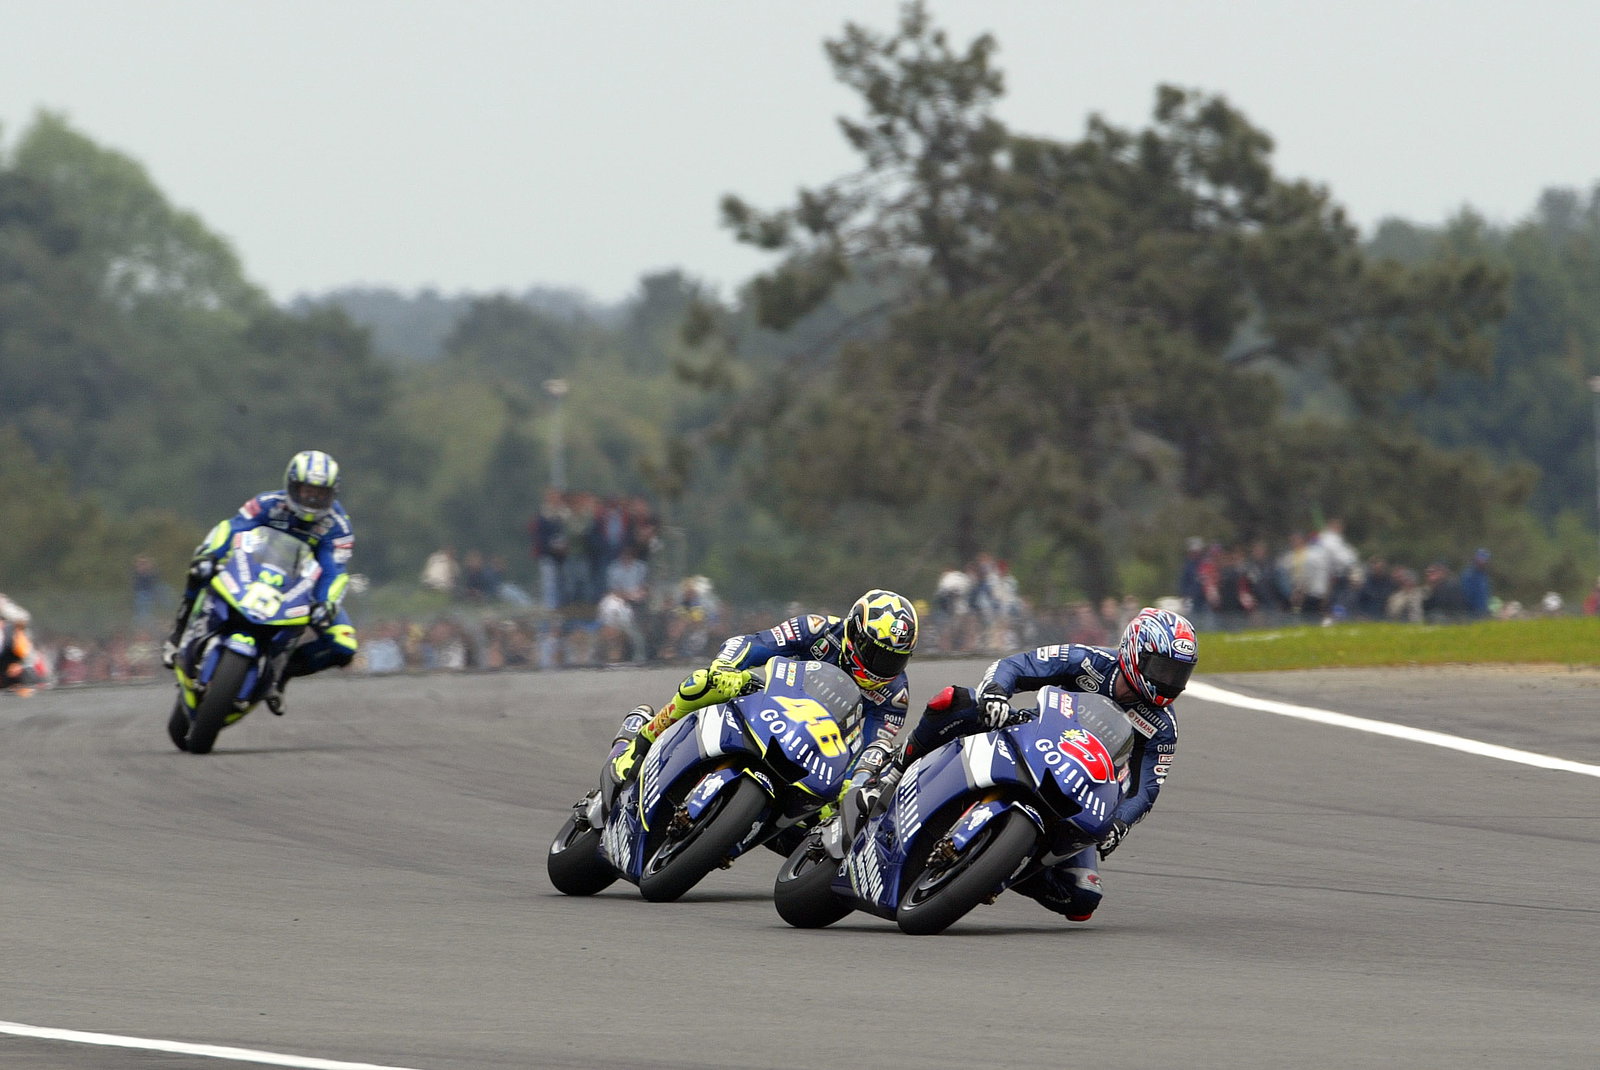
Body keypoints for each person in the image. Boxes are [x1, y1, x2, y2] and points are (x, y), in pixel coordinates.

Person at [859, 606, 1198, 923]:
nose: (1169, 682)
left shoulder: (1162, 726)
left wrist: (1121, 824)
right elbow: (1017, 666)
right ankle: (896, 767)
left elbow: (1146, 788)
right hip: (1030, 735)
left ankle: (1005, 866)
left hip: (1082, 786)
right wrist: (996, 692)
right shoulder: (1087, 660)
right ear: (1134, 651)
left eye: (1179, 674)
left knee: (1083, 898)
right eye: (1163, 670)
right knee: (956, 701)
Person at [605, 589, 921, 801]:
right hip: (772, 702)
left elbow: (870, 747)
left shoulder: (894, 697)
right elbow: (755, 643)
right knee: (703, 682)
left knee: (842, 799)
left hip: (820, 751)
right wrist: (725, 667)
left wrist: (852, 784)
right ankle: (640, 744)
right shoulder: (817, 628)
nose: (883, 667)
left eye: (894, 658)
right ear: (854, 632)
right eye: (876, 653)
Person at [161, 450, 358, 713]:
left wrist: (326, 603)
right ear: (291, 485)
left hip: (302, 590)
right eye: (306, 491)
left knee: (344, 646)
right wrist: (209, 554)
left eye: (321, 494)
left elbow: (334, 570)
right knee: (200, 570)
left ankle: (280, 674)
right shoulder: (268, 503)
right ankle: (178, 634)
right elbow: (231, 528)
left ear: (333, 494)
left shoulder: (338, 526)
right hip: (252, 575)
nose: (312, 499)